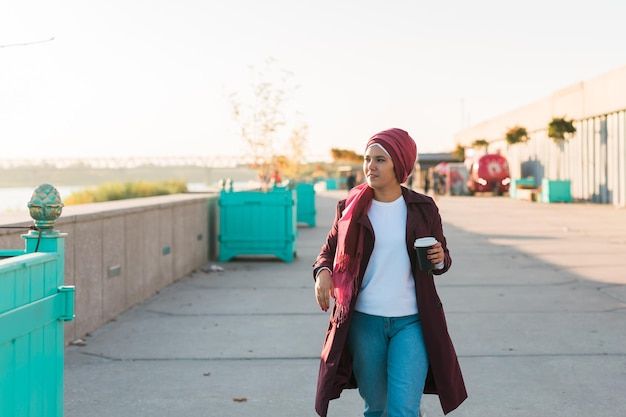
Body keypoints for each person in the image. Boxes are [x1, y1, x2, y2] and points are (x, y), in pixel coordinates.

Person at [312, 128, 467, 417]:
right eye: (367, 158)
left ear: (400, 164)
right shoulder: (349, 209)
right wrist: (322, 272)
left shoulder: (423, 208)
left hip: (413, 322)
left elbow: (443, 257)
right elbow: (328, 251)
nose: (370, 166)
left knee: (403, 409)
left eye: (380, 160)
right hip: (364, 322)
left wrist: (439, 257)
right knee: (377, 408)